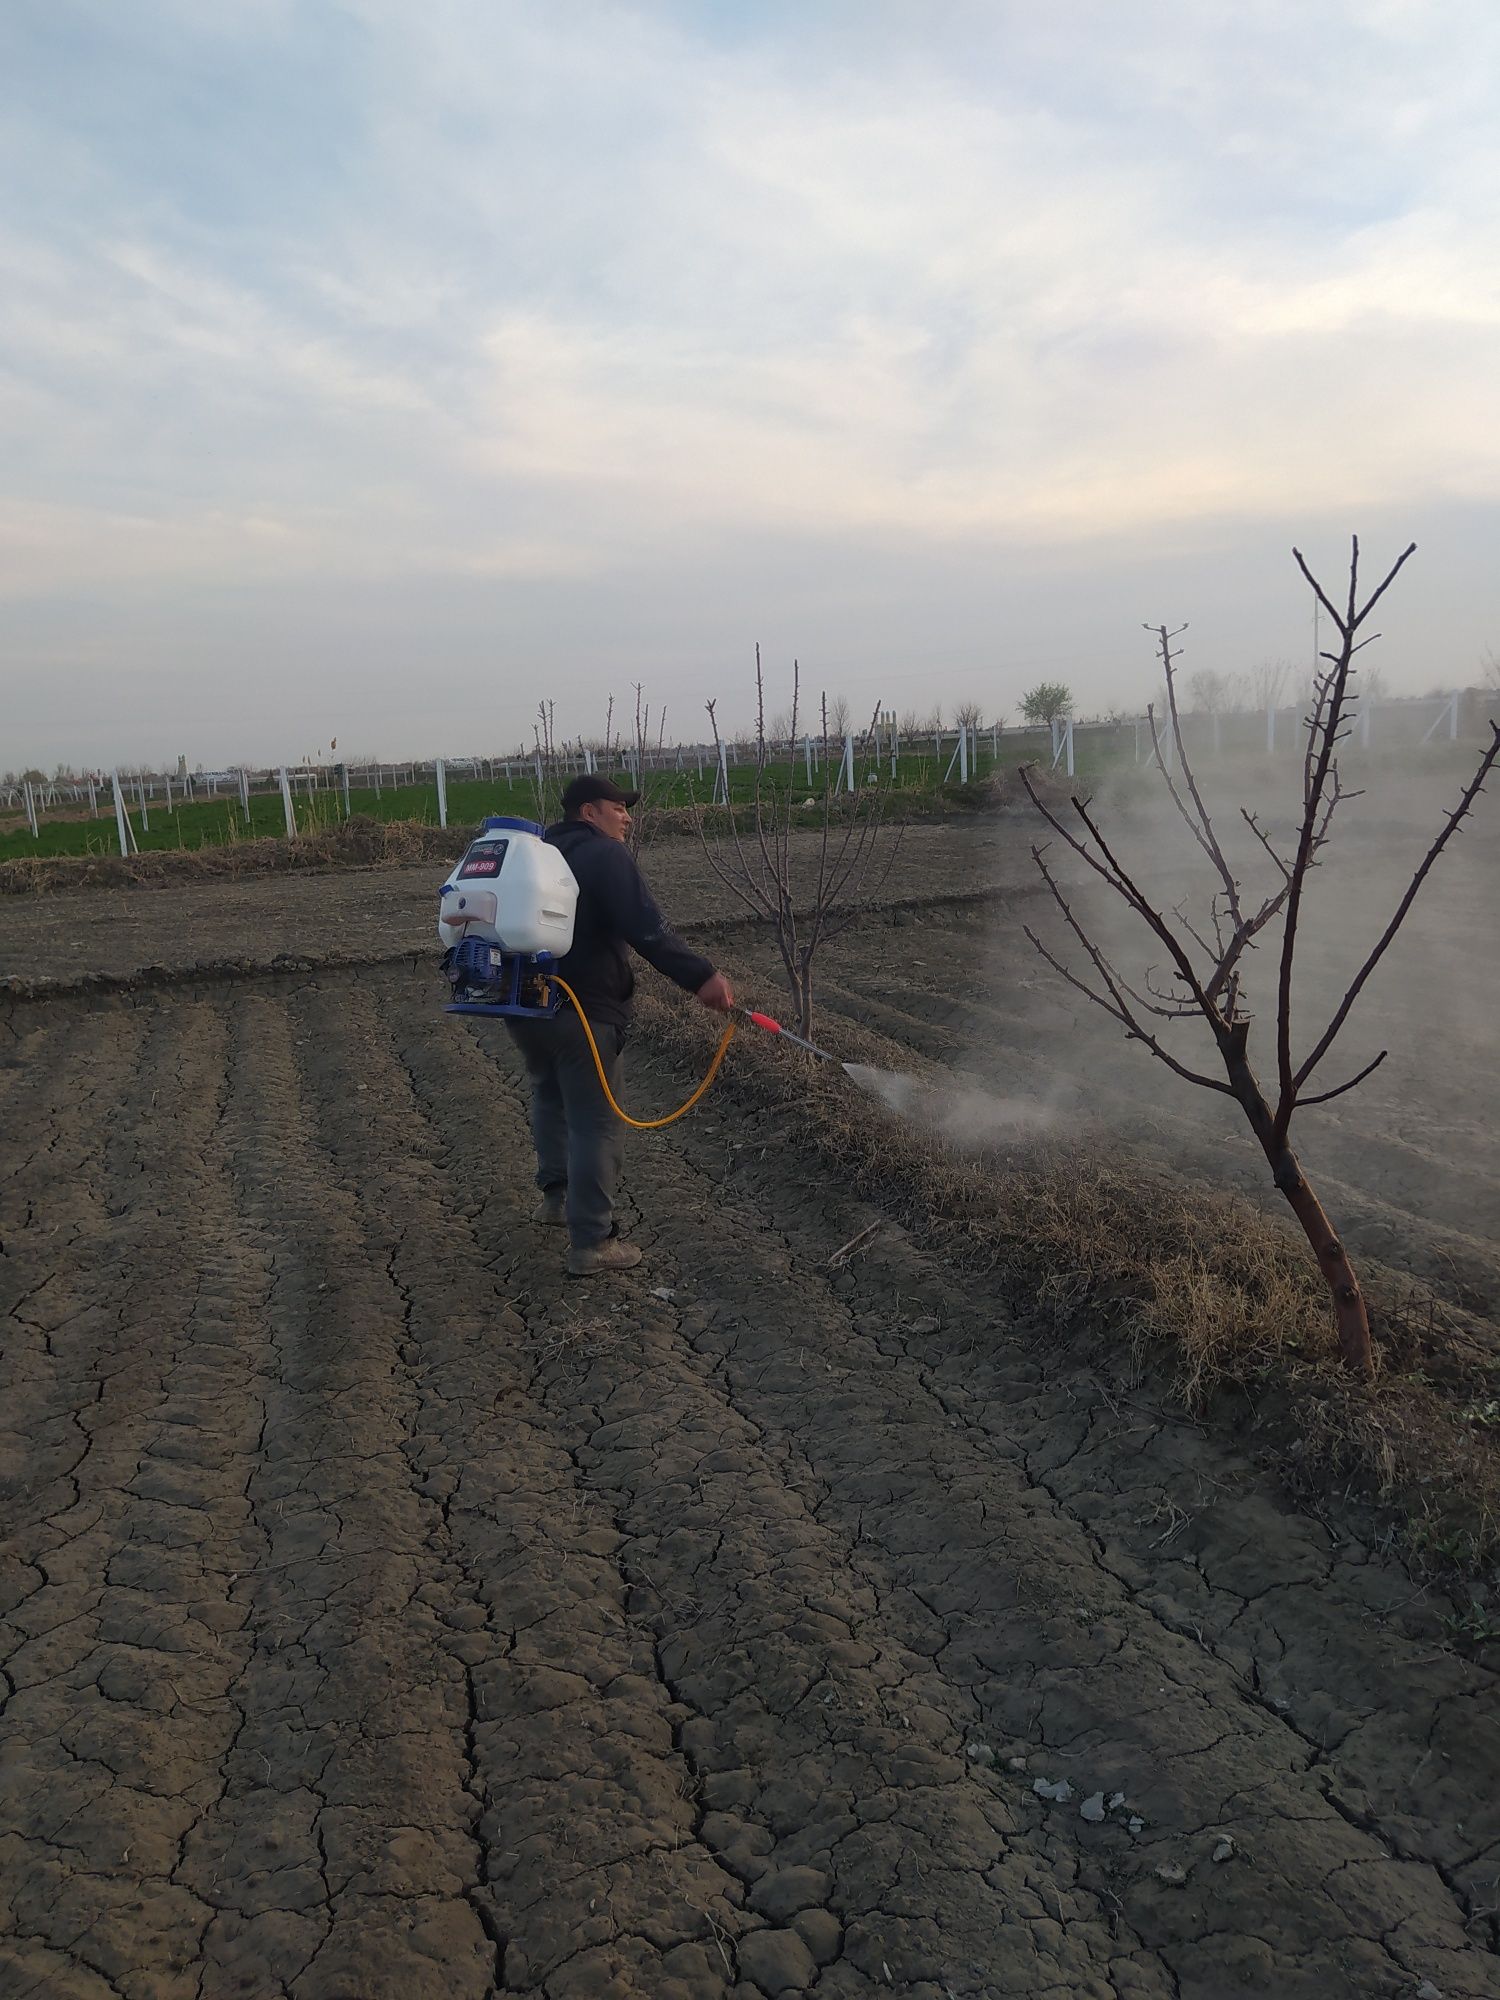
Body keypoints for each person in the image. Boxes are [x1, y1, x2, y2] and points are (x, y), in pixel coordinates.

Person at [506, 774, 735, 1276]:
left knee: (550, 1096)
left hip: (525, 1008)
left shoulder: (538, 854)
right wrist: (703, 978)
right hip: (583, 1013)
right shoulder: (604, 857)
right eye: (619, 807)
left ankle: (556, 1201)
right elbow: (648, 929)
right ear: (589, 812)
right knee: (596, 1121)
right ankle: (592, 1242)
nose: (627, 816)